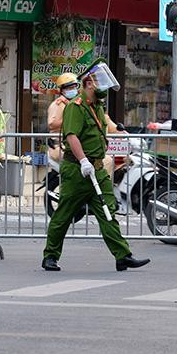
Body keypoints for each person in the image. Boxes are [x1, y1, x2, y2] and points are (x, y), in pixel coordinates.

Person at [42, 60, 149, 272]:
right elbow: (71, 136)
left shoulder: (97, 106)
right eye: (100, 83)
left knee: (108, 212)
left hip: (97, 170)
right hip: (77, 170)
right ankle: (50, 256)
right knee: (63, 215)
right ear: (89, 83)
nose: (103, 88)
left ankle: (123, 256)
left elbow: (107, 127)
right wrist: (83, 160)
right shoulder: (75, 107)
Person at [47, 72, 117, 176]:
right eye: (69, 88)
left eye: (74, 87)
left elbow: (107, 123)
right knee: (106, 161)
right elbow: (52, 124)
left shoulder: (91, 105)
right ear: (61, 90)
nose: (72, 90)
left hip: (87, 147)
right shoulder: (60, 104)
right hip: (60, 146)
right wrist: (74, 119)